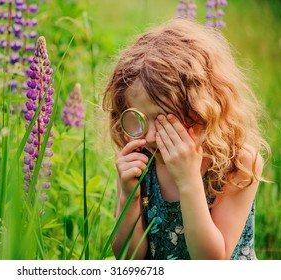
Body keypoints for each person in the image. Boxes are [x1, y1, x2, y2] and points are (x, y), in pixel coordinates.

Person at [102, 18, 270, 260]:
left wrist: (189, 179)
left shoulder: (239, 164)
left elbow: (211, 262)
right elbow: (129, 259)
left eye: (164, 121)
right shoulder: (141, 159)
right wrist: (128, 196)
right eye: (138, 118)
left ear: (202, 111)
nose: (148, 136)